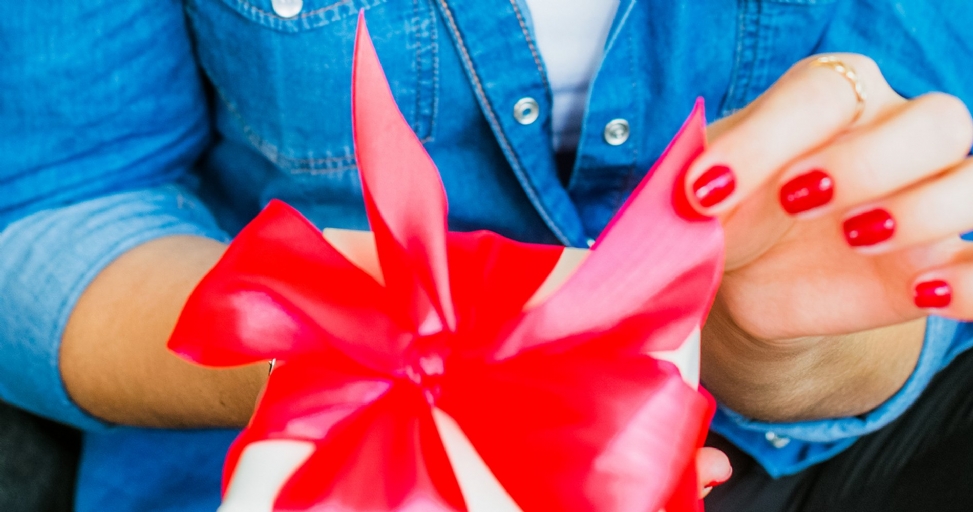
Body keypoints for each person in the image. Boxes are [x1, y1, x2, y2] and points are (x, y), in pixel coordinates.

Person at [2, 0, 972, 510]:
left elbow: (902, 270)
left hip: (792, 454)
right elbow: (57, 205)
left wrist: (762, 339)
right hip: (294, 458)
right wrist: (339, 350)